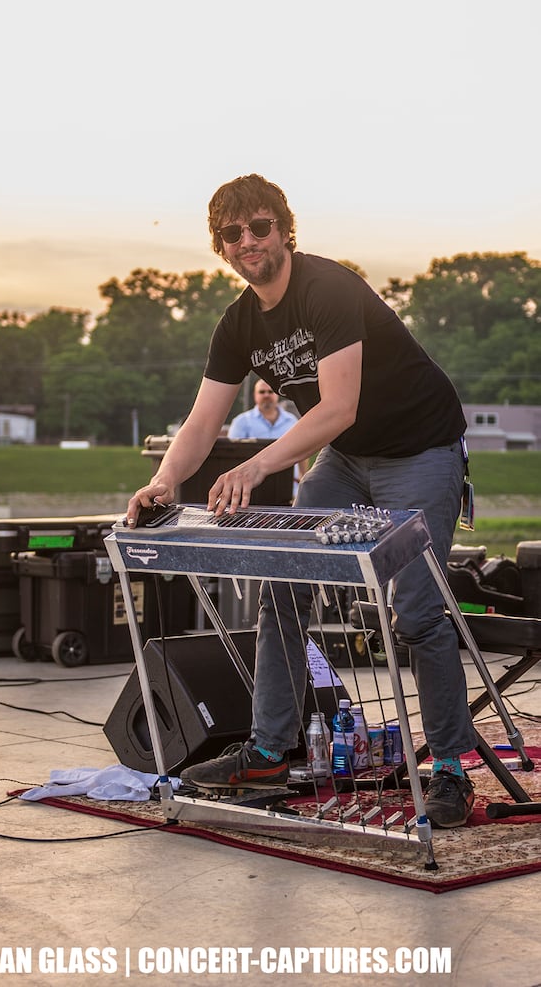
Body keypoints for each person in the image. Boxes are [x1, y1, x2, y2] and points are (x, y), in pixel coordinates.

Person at [126, 173, 476, 828]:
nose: (247, 241)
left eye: (258, 227)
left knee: (419, 609)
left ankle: (451, 766)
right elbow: (202, 424)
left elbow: (337, 407)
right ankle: (268, 750)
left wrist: (258, 465)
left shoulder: (328, 286)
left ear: (282, 228)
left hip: (419, 446)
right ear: (221, 247)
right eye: (232, 234)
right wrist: (165, 483)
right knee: (281, 584)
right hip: (346, 461)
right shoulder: (235, 325)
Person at [227, 379, 310, 490]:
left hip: (288, 487)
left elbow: (302, 451)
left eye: (270, 392)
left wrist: (303, 478)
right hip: (252, 488)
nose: (266, 395)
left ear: (277, 394)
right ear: (255, 395)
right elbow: (231, 456)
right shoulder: (241, 422)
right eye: (262, 392)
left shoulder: (292, 421)